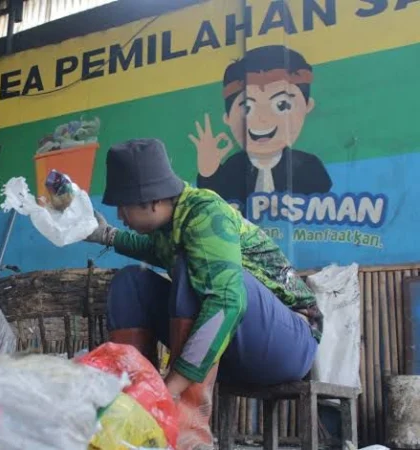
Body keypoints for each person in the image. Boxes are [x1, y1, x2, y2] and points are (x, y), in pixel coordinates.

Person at [85, 138, 322, 450]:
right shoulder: (170, 227)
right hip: (228, 349)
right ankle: (133, 414)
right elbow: (150, 249)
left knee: (194, 271)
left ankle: (185, 430)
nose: (120, 216)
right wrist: (105, 235)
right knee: (129, 282)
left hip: (286, 345)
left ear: (151, 201)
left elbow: (227, 302)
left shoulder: (205, 213)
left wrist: (170, 388)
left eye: (123, 207)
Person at [189, 45, 332, 212]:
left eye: (282, 105)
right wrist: (208, 172)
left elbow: (323, 205)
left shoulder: (308, 166)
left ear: (307, 106)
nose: (262, 118)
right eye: (247, 108)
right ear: (227, 118)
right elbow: (209, 211)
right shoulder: (233, 167)